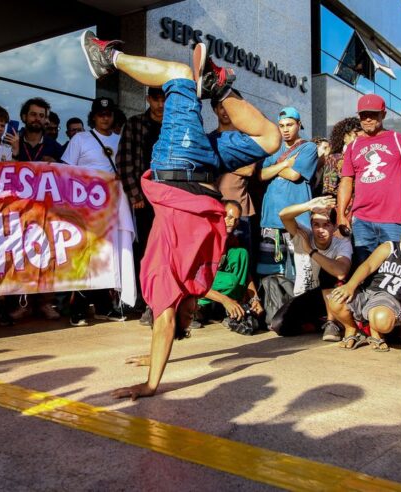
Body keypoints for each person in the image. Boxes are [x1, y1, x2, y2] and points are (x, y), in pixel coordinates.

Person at [78, 31, 280, 399]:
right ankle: (217, 90)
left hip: (177, 163)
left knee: (177, 74)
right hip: (208, 166)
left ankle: (108, 58)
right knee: (271, 139)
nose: (189, 315)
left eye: (185, 318)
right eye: (190, 320)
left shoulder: (161, 289)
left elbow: (163, 326)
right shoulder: (199, 284)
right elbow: (170, 329)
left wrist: (152, 383)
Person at [61, 96, 129, 326]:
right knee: (85, 256)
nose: (105, 118)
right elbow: (67, 172)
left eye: (108, 114)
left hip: (113, 206)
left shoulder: (121, 140)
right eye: (100, 114)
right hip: (85, 207)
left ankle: (104, 305)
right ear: (93, 117)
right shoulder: (80, 139)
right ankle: (77, 309)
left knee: (109, 256)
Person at [328, 213, 401, 351]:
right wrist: (350, 286)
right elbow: (368, 266)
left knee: (381, 319)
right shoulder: (390, 247)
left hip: (390, 302)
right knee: (335, 299)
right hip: (368, 292)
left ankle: (376, 333)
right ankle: (351, 329)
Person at [338, 94, 401, 264]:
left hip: (394, 220)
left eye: (373, 114)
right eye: (363, 115)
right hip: (361, 221)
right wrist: (341, 215)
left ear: (383, 114)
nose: (367, 119)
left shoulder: (400, 140)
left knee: (395, 268)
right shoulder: (353, 146)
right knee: (363, 269)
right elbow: (346, 182)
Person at [268, 197, 352, 338]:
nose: (320, 230)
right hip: (304, 296)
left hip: (329, 296)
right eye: (316, 225)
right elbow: (283, 215)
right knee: (279, 325)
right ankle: (318, 323)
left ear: (335, 226)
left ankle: (332, 322)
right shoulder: (304, 234)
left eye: (326, 225)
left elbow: (341, 272)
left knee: (329, 270)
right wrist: (308, 205)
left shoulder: (342, 243)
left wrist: (310, 251)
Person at [118, 86, 164, 323]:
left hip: (170, 198)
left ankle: (169, 302)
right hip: (145, 199)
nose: (160, 103)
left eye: (164, 98)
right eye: (156, 98)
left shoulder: (173, 126)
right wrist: (135, 195)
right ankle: (148, 302)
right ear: (148, 99)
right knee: (146, 251)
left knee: (170, 250)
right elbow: (124, 161)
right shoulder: (135, 124)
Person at [257, 107, 318, 278]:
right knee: (270, 274)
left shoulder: (308, 147)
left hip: (297, 221)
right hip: (270, 221)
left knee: (302, 273)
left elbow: (294, 175)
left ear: (299, 124)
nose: (285, 129)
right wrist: (284, 164)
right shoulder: (275, 148)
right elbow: (261, 175)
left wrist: (272, 168)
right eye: (281, 125)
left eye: (289, 125)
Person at [192, 200, 263, 328]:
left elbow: (246, 275)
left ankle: (233, 309)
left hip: (214, 282)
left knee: (241, 253)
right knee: (231, 281)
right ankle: (195, 308)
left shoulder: (230, 239)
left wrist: (254, 298)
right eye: (229, 217)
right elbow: (192, 281)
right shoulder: (206, 237)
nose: (232, 222)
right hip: (194, 286)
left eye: (236, 219)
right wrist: (225, 300)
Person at [211, 95, 257, 252]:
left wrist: (218, 162)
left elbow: (249, 170)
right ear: (215, 109)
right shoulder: (208, 139)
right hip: (214, 208)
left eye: (229, 106)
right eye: (221, 106)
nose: (226, 111)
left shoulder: (246, 140)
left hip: (240, 210)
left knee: (241, 255)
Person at [316, 117, 362, 200]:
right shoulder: (334, 159)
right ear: (345, 137)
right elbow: (328, 193)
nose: (359, 140)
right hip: (342, 209)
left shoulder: (365, 159)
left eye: (362, 137)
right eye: (355, 136)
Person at [15, 97, 62, 162]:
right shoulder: (14, 142)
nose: (38, 118)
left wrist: (56, 164)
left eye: (41, 115)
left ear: (46, 120)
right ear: (24, 117)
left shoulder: (56, 147)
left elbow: (66, 170)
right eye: (33, 114)